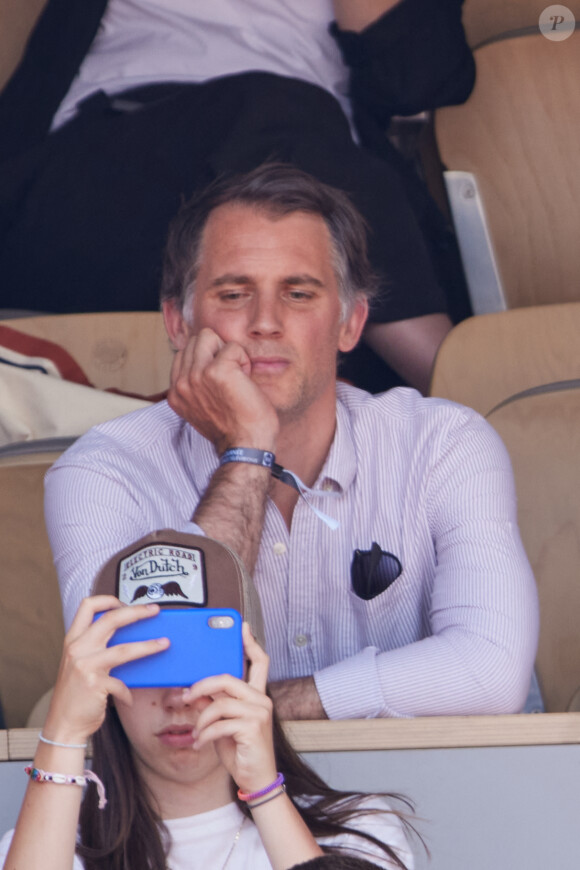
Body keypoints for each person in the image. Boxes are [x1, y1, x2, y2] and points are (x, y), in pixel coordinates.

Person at [45, 163, 539, 721]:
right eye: (234, 294)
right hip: (210, 805)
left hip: (422, 795)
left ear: (351, 324)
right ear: (178, 323)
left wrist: (266, 712)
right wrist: (247, 454)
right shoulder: (102, 470)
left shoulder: (445, 443)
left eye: (299, 294)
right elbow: (148, 691)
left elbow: (489, 673)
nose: (266, 322)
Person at [0, 0, 475, 394]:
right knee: (274, 109)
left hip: (313, 174)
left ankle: (466, 395)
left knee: (289, 134)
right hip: (107, 179)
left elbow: (418, 81)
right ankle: (470, 394)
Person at [0, 596, 414, 869]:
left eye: (200, 658)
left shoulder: (362, 830)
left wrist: (265, 791)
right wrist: (64, 731)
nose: (179, 697)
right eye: (147, 663)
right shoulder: (47, 847)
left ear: (251, 665)